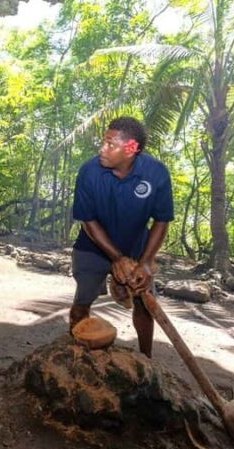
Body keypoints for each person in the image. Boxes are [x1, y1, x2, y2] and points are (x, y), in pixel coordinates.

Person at [70, 117, 174, 358]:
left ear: (131, 149)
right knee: (81, 305)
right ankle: (76, 356)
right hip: (92, 248)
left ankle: (146, 360)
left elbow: (161, 221)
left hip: (138, 249)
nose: (102, 149)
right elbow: (88, 221)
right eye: (103, 142)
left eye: (110, 144)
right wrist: (116, 258)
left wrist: (146, 263)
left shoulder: (156, 174)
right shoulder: (89, 172)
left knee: (144, 306)